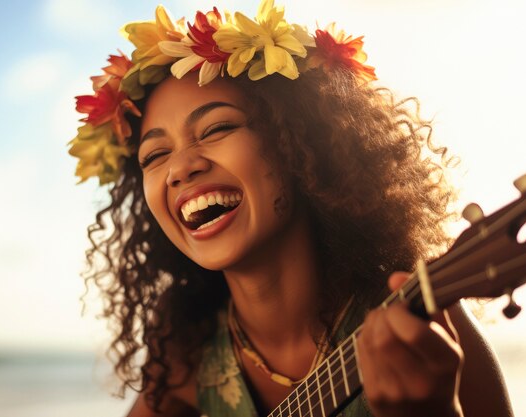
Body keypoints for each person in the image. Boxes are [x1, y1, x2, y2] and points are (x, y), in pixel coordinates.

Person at [68, 2, 514, 416]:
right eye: (154, 156)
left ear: (298, 146)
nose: (180, 168)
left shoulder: (420, 321)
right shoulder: (188, 342)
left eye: (216, 127)